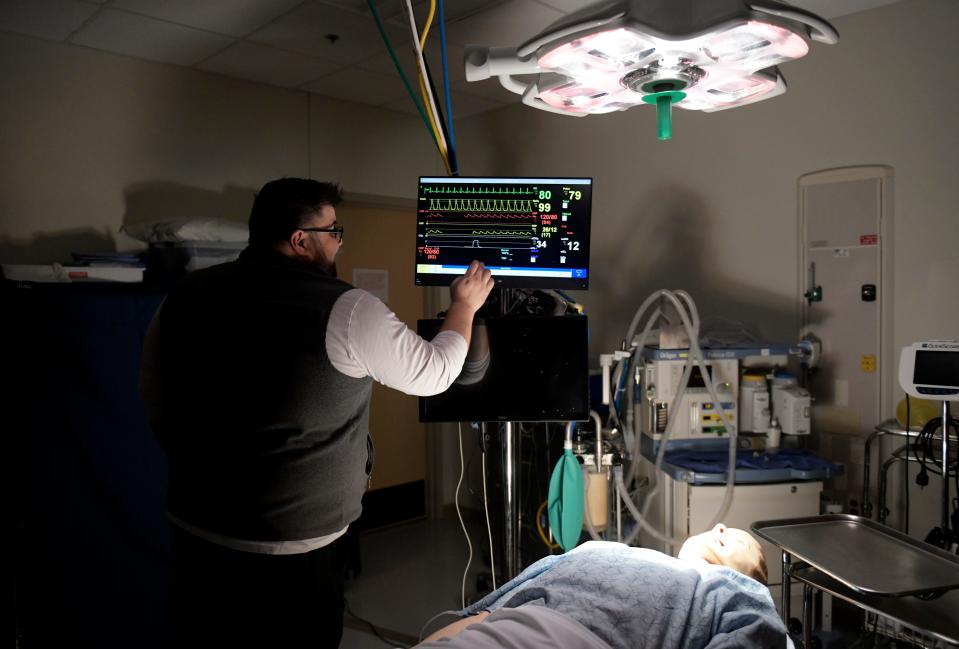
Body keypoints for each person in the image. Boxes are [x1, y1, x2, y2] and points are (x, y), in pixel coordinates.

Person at [139, 177, 494, 648]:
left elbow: (155, 399)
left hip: (195, 534)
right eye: (333, 231)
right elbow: (433, 373)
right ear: (300, 240)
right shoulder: (345, 309)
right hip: (293, 553)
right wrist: (464, 307)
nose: (340, 241)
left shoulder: (183, 295)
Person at [417, 526, 784, 649]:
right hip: (507, 631)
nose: (721, 528)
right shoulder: (604, 548)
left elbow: (758, 636)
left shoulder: (733, 589)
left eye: (740, 540)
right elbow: (490, 612)